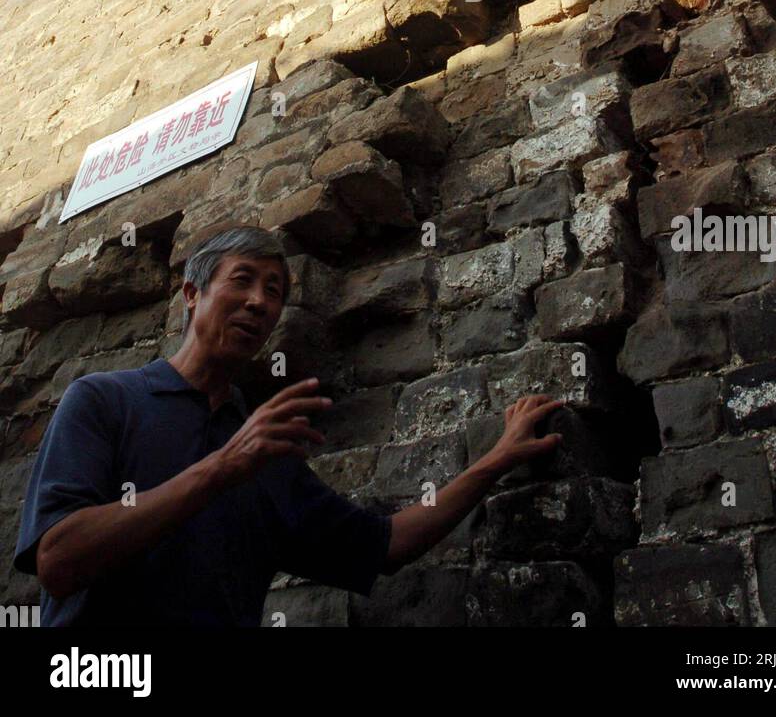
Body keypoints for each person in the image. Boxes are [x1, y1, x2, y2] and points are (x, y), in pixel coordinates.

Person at [14, 224, 564, 626]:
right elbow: (59, 561)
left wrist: (496, 459)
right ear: (190, 294)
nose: (258, 302)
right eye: (243, 281)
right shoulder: (105, 401)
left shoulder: (269, 453)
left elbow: (388, 544)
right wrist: (224, 466)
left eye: (274, 292)